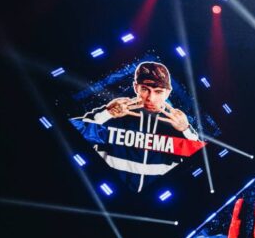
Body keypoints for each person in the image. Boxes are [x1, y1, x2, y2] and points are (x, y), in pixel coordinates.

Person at [72, 61, 202, 192]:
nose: (150, 98)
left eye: (158, 91)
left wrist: (186, 130)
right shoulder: (114, 114)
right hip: (108, 190)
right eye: (145, 89)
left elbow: (200, 162)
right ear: (136, 87)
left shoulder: (175, 125)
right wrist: (107, 113)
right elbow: (72, 132)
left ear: (167, 93)